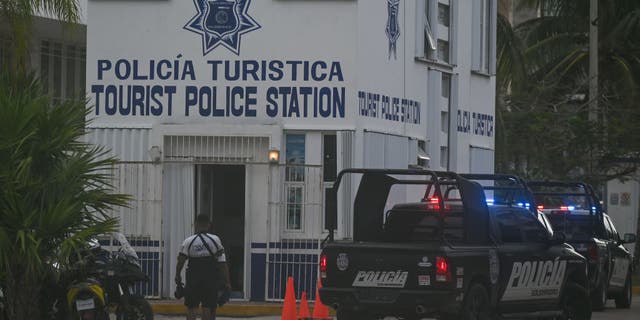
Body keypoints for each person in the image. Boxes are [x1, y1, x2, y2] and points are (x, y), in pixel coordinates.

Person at [175, 214, 232, 320]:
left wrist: (177, 276)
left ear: (196, 224)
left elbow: (180, 261)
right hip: (210, 277)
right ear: (209, 224)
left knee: (191, 307)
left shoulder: (188, 241)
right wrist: (227, 282)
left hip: (193, 277)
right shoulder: (215, 240)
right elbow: (222, 264)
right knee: (208, 307)